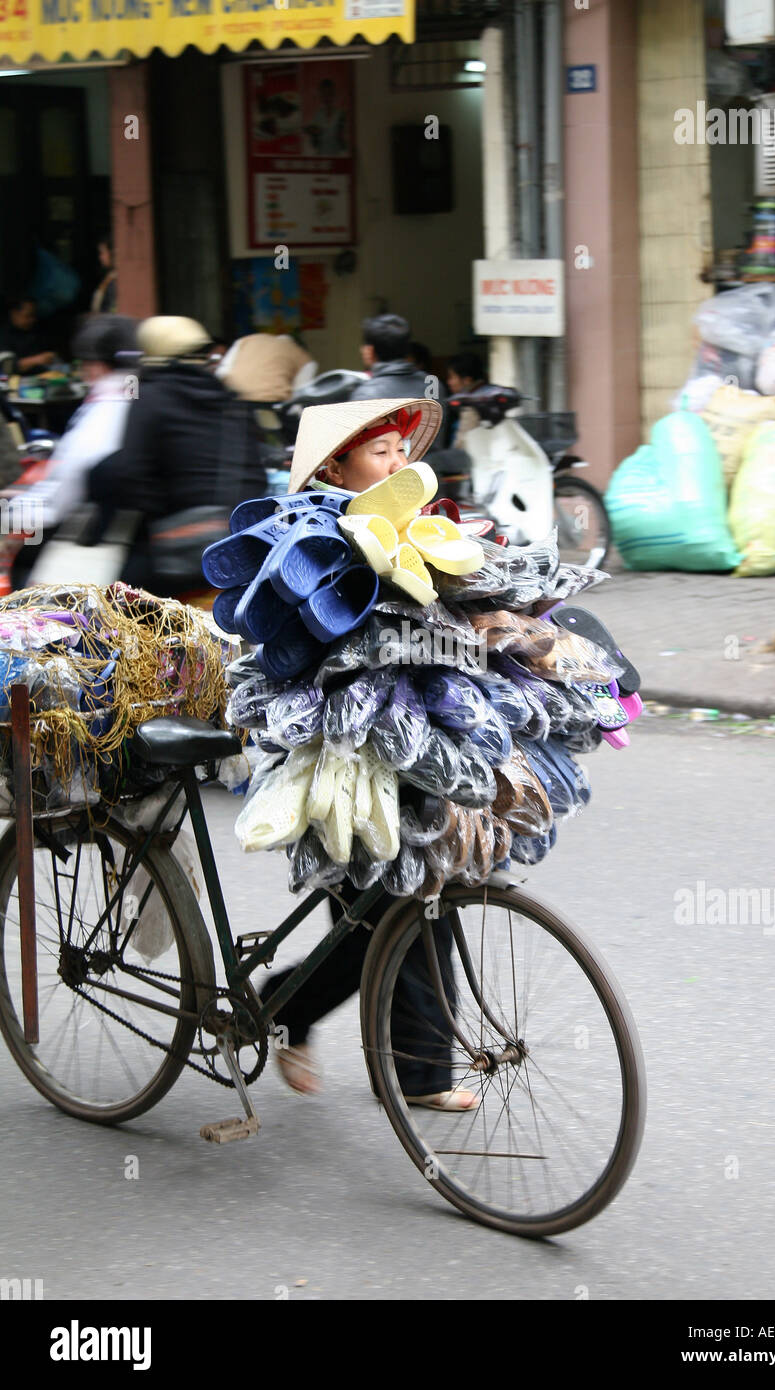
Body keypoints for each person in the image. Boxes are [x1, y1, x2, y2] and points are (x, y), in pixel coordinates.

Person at [259, 395, 479, 1112]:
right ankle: (283, 1003)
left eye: (399, 452)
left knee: (431, 894)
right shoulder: (308, 533)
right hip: (337, 755)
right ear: (337, 464)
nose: (397, 463)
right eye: (379, 453)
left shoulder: (415, 524)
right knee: (373, 918)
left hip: (412, 742)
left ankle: (423, 1073)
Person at [89, 316, 267, 594]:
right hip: (237, 549)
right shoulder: (232, 400)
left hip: (173, 557)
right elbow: (256, 476)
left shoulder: (148, 397)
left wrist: (160, 510)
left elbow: (128, 474)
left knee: (116, 604)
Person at [20, 315, 139, 533]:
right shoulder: (138, 396)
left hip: (81, 529)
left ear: (97, 366)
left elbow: (61, 502)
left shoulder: (103, 412)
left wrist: (12, 514)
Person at [351, 315, 446, 450]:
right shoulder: (433, 384)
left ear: (369, 351)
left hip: (391, 471)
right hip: (429, 469)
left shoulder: (366, 394)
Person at [0, 297, 57, 375]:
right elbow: (8, 368)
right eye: (28, 316)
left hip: (42, 378)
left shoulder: (36, 331)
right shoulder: (4, 335)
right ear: (14, 314)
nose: (32, 320)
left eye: (33, 316)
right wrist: (36, 360)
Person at [445, 350, 487, 448]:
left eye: (451, 377)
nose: (449, 382)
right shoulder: (482, 394)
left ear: (467, 380)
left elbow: (461, 445)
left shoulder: (472, 406)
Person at [90, 237, 117, 315]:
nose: (100, 257)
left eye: (102, 253)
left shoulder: (115, 281)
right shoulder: (109, 278)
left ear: (112, 253)